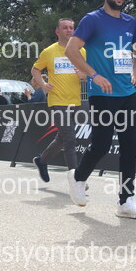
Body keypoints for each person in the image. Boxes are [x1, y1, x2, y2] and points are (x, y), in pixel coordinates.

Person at [64, 0, 136, 219]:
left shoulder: (131, 22)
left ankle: (126, 201)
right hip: (102, 93)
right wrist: (94, 75)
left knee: (130, 146)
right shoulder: (92, 20)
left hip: (127, 92)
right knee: (101, 145)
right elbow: (71, 50)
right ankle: (78, 177)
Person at [31, 18, 86, 181]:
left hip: (75, 101)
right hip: (57, 101)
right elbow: (35, 70)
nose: (69, 30)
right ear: (57, 31)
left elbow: (87, 73)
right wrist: (43, 84)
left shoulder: (81, 51)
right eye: (65, 28)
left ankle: (42, 160)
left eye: (71, 28)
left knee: (61, 139)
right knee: (70, 140)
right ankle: (76, 179)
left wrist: (83, 75)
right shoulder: (49, 52)